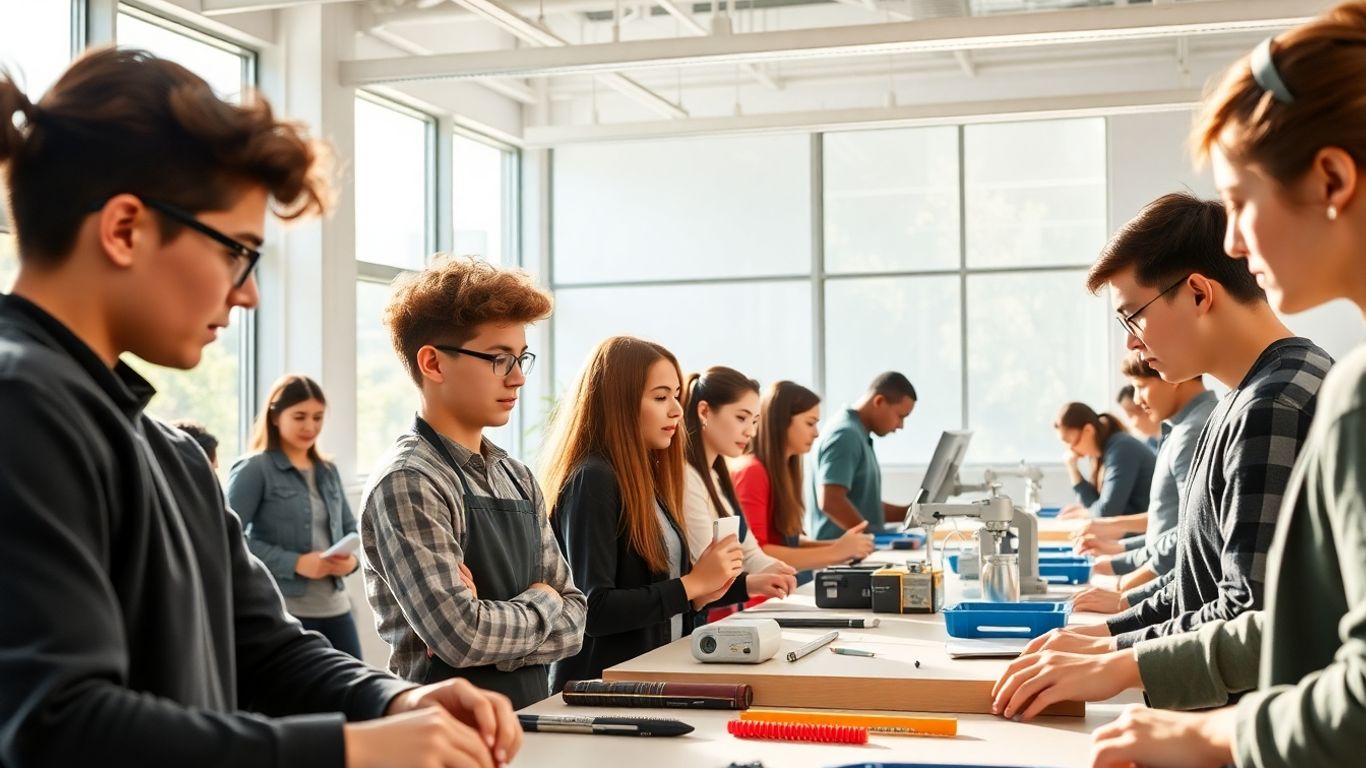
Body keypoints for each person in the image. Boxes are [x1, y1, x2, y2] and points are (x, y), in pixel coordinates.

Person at [0, 49, 520, 768]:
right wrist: (351, 750)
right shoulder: (20, 407)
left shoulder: (168, 453)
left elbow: (263, 648)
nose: (248, 293)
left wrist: (394, 701)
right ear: (125, 229)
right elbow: (58, 726)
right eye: (237, 252)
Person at [1085, 6, 1366, 764]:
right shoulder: (1298, 393)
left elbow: (1303, 643)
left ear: (1333, 178)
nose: (1234, 239)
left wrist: (1202, 729)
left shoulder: (1308, 397)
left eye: (1240, 203)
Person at [990, 192, 1331, 724]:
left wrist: (1114, 660)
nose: (1131, 348)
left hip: (1239, 729)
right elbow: (1202, 580)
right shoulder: (1249, 395)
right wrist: (1105, 634)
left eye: (1134, 318)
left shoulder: (1270, 407)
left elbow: (1250, 618)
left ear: (1197, 293)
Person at [360, 256, 586, 710]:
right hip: (442, 733)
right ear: (433, 363)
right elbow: (461, 638)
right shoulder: (410, 480)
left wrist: (493, 621)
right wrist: (542, 600)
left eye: (521, 359)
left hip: (530, 719)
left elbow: (577, 620)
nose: (518, 377)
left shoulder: (517, 477)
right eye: (500, 359)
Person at [542, 336, 787, 691]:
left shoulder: (644, 480)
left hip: (655, 674)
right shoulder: (593, 479)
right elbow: (594, 610)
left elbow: (658, 599)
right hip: (605, 688)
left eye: (676, 396)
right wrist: (692, 584)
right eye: (660, 398)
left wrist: (701, 593)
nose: (675, 410)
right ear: (619, 404)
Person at [228, 375, 362, 659]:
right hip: (285, 612)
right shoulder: (255, 468)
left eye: (318, 417)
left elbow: (350, 528)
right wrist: (295, 563)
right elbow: (227, 536)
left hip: (337, 608)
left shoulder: (328, 470)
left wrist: (350, 562)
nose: (310, 426)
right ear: (275, 417)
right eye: (299, 416)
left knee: (356, 698)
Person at [1071, 354, 1216, 614]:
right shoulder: (1179, 429)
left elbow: (1191, 533)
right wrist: (1118, 559)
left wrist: (1125, 589)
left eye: (1140, 386)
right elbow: (1166, 527)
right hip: (1165, 591)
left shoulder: (1192, 433)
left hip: (1172, 597)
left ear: (1170, 377)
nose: (1137, 400)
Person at [679, 366, 797, 617]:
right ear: (704, 411)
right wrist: (757, 580)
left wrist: (777, 569)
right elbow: (710, 567)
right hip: (697, 619)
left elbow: (748, 552)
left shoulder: (716, 477)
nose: (750, 431)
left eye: (754, 421)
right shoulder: (685, 477)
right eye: (741, 418)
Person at [732, 380, 876, 572]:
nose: (816, 434)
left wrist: (842, 546)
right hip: (762, 598)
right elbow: (756, 553)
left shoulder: (782, 471)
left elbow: (786, 541)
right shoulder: (752, 472)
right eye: (810, 423)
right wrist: (836, 552)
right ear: (782, 421)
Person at [805, 371, 917, 540]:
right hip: (840, 560)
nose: (900, 425)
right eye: (900, 416)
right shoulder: (845, 435)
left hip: (850, 555)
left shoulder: (858, 433)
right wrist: (871, 540)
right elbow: (831, 500)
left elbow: (863, 506)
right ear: (879, 401)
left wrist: (911, 513)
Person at [1054, 402, 1156, 520]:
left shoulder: (1122, 449)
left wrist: (1084, 513)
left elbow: (1107, 512)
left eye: (1070, 442)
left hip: (1146, 532)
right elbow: (1094, 504)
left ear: (1088, 430)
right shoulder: (1103, 453)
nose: (1069, 450)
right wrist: (1072, 468)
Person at [1116, 384, 1162, 450]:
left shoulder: (1173, 435)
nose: (1134, 424)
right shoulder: (1149, 444)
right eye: (1129, 416)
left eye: (1132, 414)